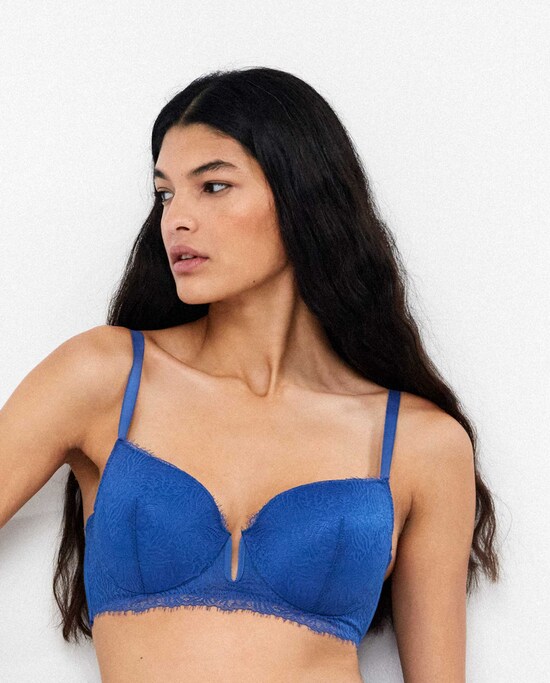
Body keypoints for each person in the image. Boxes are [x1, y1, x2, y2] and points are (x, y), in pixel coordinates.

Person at [0, 66, 500, 682]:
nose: (175, 219)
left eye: (213, 186)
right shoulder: (104, 376)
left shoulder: (422, 444)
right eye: (165, 194)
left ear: (301, 196)